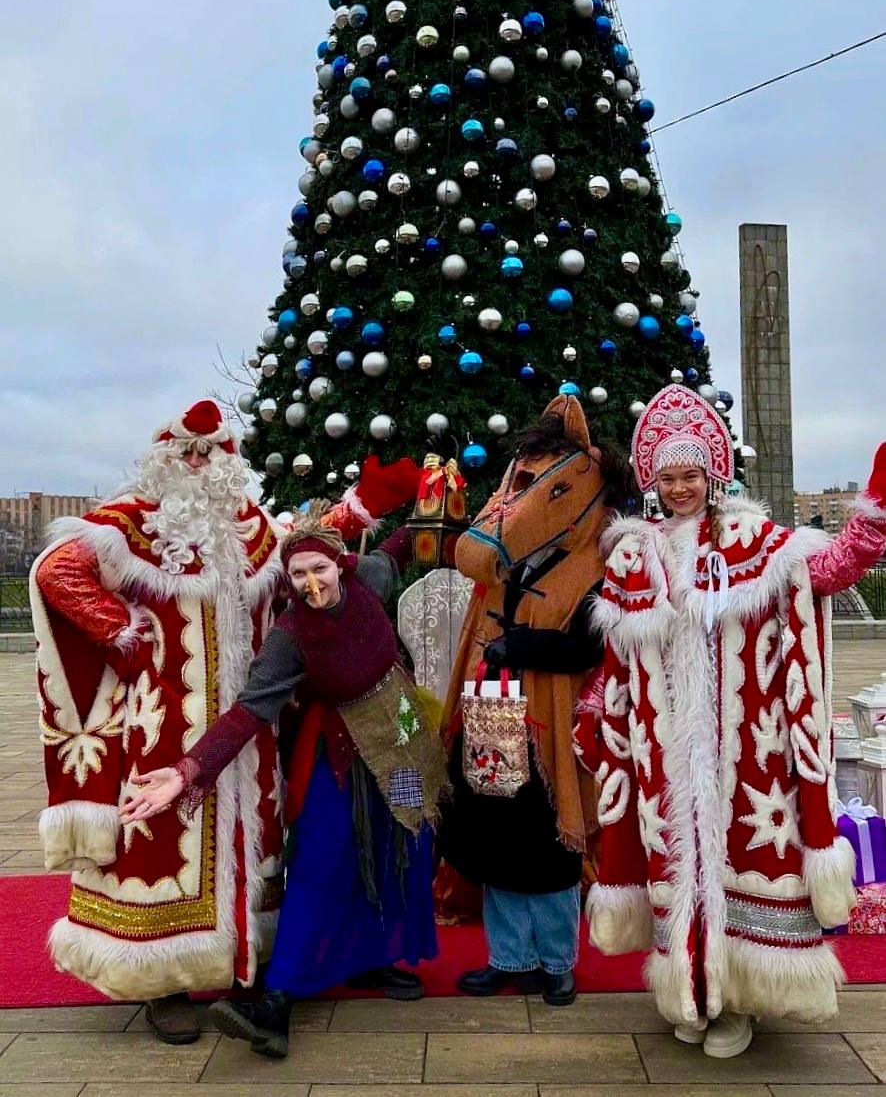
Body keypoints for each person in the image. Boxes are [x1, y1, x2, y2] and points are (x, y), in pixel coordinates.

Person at [581, 383, 886, 1058]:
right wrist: (598, 718)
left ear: (712, 475)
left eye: (691, 474)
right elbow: (617, 661)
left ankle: (736, 1001)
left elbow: (829, 571)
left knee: (740, 867)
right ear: (653, 479)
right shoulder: (633, 557)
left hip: (749, 755)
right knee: (674, 872)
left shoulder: (758, 542)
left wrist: (873, 516)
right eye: (670, 476)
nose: (681, 486)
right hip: (661, 758)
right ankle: (689, 990)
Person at [120, 495, 447, 1061]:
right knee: (321, 863)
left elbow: (397, 548)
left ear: (340, 566)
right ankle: (275, 1004)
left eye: (319, 568)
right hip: (339, 754)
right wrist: (186, 771)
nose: (310, 581)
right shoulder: (290, 635)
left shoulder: (367, 578)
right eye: (298, 574)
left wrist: (432, 501)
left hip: (400, 739)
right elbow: (249, 710)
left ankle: (377, 956)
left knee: (406, 844)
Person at [29, 400, 284, 1044]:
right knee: (163, 834)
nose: (199, 463)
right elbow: (56, 570)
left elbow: (309, 567)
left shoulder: (254, 529)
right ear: (163, 459)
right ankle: (162, 981)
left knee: (253, 835)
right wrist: (124, 634)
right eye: (186, 453)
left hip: (249, 731)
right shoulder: (131, 525)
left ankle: (243, 963)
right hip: (163, 724)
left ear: (229, 461)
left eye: (211, 452)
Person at [437, 394, 634, 1006]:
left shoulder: (599, 565)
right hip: (491, 723)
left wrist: (523, 646)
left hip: (548, 731)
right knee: (498, 846)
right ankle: (508, 956)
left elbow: (586, 650)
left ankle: (555, 961)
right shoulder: (511, 560)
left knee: (548, 851)